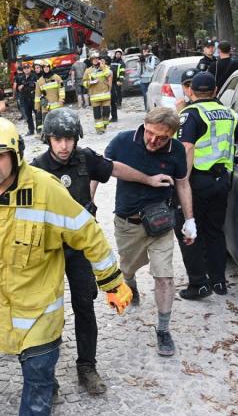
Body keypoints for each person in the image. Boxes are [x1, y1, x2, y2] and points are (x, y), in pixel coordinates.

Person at [0, 115, 132, 416]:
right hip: (4, 307)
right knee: (31, 368)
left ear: (15, 154)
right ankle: (47, 381)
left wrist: (113, 282)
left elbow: (89, 235)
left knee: (35, 382)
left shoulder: (45, 189)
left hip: (41, 310)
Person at [31, 108, 174, 394]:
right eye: (57, 139)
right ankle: (47, 377)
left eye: (69, 138)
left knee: (84, 307)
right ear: (48, 139)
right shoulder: (35, 169)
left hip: (80, 249)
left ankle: (87, 367)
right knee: (46, 313)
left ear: (76, 138)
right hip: (47, 253)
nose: (63, 145)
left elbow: (114, 168)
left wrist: (147, 179)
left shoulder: (85, 158)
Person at [104, 107, 195, 357]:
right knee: (127, 269)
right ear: (144, 124)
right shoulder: (123, 141)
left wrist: (190, 220)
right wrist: (89, 203)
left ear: (172, 136)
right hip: (128, 223)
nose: (154, 141)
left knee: (164, 276)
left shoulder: (176, 150)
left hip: (160, 224)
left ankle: (163, 329)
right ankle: (131, 285)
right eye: (151, 133)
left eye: (163, 137)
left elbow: (183, 183)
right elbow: (105, 168)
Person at [175, 72, 238, 299]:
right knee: (215, 231)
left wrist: (180, 183)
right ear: (215, 90)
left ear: (191, 90)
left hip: (196, 181)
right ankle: (219, 282)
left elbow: (186, 148)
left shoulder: (191, 114)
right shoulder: (230, 114)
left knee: (189, 231)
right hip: (221, 180)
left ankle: (198, 285)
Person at [82, 52, 112, 134]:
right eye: (93, 59)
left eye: (96, 59)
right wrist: (89, 83)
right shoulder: (88, 71)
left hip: (105, 95)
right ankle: (99, 129)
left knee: (106, 112)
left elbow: (109, 74)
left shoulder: (105, 68)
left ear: (98, 59)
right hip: (94, 96)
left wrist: (103, 67)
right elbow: (84, 83)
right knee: (97, 114)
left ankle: (104, 125)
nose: (95, 60)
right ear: (91, 61)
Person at [34, 62, 64, 132]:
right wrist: (37, 107)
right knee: (46, 125)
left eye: (47, 67)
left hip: (57, 106)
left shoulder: (57, 77)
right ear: (42, 68)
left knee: (59, 124)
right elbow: (37, 95)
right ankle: (46, 137)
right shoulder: (40, 81)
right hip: (46, 107)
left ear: (50, 67)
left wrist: (61, 98)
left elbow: (61, 89)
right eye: (44, 67)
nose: (46, 68)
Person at [16, 63, 38, 136]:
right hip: (24, 99)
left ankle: (39, 129)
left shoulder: (34, 76)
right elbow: (18, 88)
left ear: (30, 68)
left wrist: (26, 84)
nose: (26, 69)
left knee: (37, 115)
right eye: (24, 68)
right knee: (28, 116)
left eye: (27, 68)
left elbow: (37, 84)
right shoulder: (20, 78)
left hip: (34, 98)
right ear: (23, 70)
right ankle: (31, 130)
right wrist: (20, 87)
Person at [138, 45, 159, 110]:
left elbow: (151, 68)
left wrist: (145, 64)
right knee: (145, 95)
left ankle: (152, 109)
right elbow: (138, 69)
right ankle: (147, 109)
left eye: (145, 50)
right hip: (142, 79)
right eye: (143, 50)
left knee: (150, 95)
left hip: (150, 79)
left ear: (148, 50)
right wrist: (140, 63)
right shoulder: (140, 58)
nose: (144, 52)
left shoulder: (151, 58)